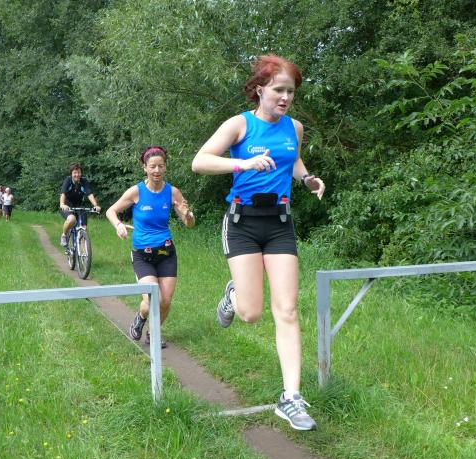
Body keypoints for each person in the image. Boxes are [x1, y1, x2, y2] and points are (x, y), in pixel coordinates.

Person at [191, 55, 326, 431]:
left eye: (291, 92)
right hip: (243, 223)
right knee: (251, 313)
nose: (286, 98)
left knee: (288, 310)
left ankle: (291, 398)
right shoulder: (240, 124)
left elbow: (293, 162)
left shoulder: (294, 127)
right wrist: (243, 165)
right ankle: (234, 294)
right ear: (260, 89)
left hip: (279, 222)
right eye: (279, 90)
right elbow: (200, 162)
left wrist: (307, 179)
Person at [106, 146, 195, 348]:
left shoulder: (172, 192)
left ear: (165, 167)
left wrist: (188, 215)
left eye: (161, 166)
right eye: (152, 166)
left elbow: (189, 224)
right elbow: (111, 211)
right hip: (142, 255)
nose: (157, 170)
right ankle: (140, 317)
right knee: (151, 299)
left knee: (165, 301)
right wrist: (118, 225)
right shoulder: (136, 191)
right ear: (145, 167)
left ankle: (153, 333)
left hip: (166, 253)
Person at [59, 163, 101, 246]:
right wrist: (62, 204)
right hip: (67, 206)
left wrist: (95, 205)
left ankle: (84, 251)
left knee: (84, 228)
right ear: (71, 173)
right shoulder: (68, 180)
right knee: (72, 219)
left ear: (81, 173)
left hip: (79, 206)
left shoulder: (84, 181)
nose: (77, 175)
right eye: (75, 172)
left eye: (79, 172)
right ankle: (64, 235)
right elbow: (63, 193)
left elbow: (89, 194)